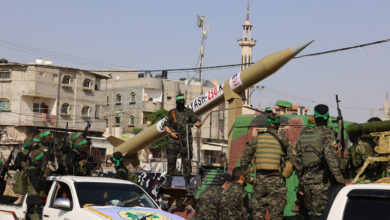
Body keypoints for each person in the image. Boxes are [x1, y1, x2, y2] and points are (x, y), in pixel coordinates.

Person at [296, 104, 349, 219]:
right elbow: (331, 159)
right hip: (322, 184)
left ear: (314, 117)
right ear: (328, 117)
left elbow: (297, 161)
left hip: (306, 184)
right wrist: (341, 179)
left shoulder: (304, 135)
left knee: (311, 215)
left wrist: (301, 182)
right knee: (321, 216)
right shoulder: (327, 133)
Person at [241, 113, 294, 220]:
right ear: (278, 125)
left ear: (267, 124)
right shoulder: (284, 141)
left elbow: (244, 161)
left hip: (259, 183)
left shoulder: (256, 140)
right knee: (276, 216)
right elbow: (293, 160)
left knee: (257, 215)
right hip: (277, 184)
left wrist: (248, 178)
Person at [162, 94, 201, 189]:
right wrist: (171, 133)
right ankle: (168, 181)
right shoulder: (172, 112)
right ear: (176, 102)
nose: (181, 102)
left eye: (182, 101)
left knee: (187, 161)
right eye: (179, 101)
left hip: (185, 140)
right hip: (173, 140)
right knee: (171, 161)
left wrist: (197, 124)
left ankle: (187, 182)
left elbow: (197, 121)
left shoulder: (188, 112)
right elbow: (165, 125)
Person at [26, 149, 46, 220]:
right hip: (34, 201)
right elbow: (38, 185)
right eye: (42, 159)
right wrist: (45, 176)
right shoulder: (32, 170)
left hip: (35, 200)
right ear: (38, 160)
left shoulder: (35, 170)